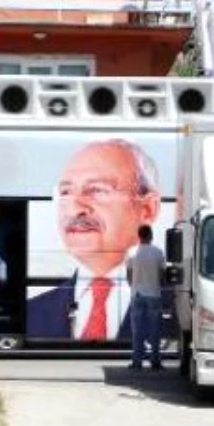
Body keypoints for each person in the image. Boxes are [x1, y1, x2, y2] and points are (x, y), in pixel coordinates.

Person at [26, 139, 162, 341]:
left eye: (97, 190)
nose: (75, 208)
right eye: (66, 192)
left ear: (147, 209)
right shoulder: (32, 313)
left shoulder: (181, 307)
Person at [127, 225, 166, 371]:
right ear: (151, 235)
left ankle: (137, 362)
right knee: (154, 330)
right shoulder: (158, 252)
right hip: (154, 294)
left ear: (139, 236)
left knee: (137, 331)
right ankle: (155, 361)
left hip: (137, 294)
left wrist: (134, 286)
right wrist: (159, 285)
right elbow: (162, 274)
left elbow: (129, 275)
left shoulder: (132, 253)